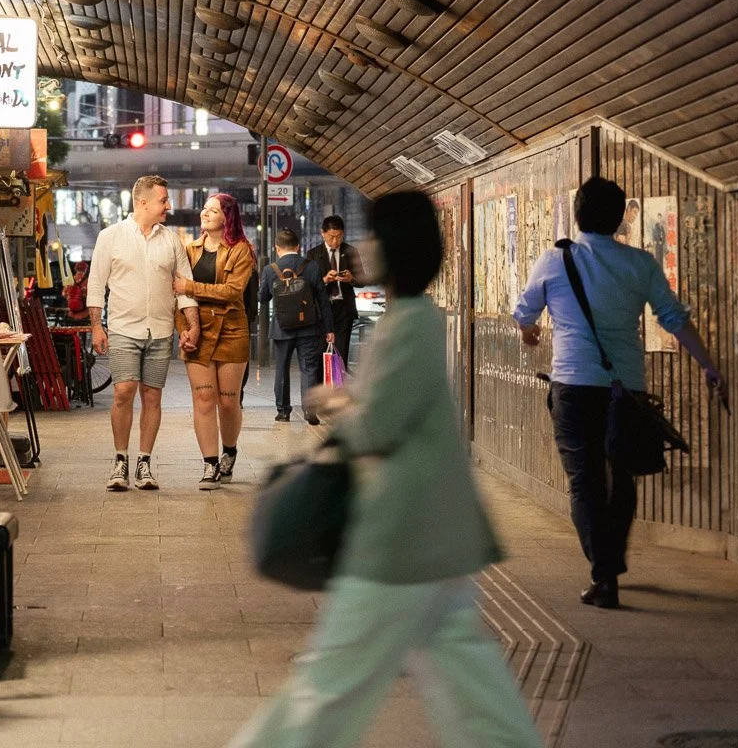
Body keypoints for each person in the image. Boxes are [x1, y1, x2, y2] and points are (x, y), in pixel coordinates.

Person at [231, 192, 541, 748]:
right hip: (439, 542)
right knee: (475, 688)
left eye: (372, 236)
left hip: (399, 538)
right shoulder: (418, 319)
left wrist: (333, 400)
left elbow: (377, 428)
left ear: (393, 246)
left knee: (329, 684)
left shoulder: (408, 325)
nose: (362, 248)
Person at [512, 177, 727, 609]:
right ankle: (610, 564)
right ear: (618, 218)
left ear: (577, 215)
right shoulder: (640, 264)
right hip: (625, 388)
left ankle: (604, 571)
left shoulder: (555, 260)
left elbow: (525, 313)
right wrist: (708, 364)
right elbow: (674, 318)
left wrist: (530, 333)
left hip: (573, 386)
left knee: (585, 481)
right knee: (622, 476)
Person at [87, 175, 199, 491]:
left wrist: (193, 324)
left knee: (152, 396)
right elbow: (96, 283)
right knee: (124, 391)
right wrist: (97, 326)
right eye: (164, 200)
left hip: (161, 330)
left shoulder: (172, 241)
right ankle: (120, 460)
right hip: (123, 328)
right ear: (143, 202)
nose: (168, 206)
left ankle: (144, 463)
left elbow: (185, 288)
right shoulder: (110, 237)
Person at [173, 193, 255, 489]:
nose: (205, 214)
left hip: (232, 331)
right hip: (199, 332)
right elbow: (180, 295)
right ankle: (210, 464)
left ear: (227, 217)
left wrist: (191, 286)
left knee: (228, 402)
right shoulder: (189, 249)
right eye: (204, 209)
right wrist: (183, 328)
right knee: (204, 399)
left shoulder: (241, 250)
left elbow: (232, 291)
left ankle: (229, 451)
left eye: (213, 210)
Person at [258, 227, 333, 424]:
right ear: (298, 247)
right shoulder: (312, 266)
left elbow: (262, 298)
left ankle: (283, 411)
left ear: (277, 248)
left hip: (282, 328)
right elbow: (323, 300)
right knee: (309, 368)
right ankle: (310, 411)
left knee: (281, 368)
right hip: (309, 327)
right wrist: (329, 329)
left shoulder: (270, 269)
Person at [305, 215, 361, 370]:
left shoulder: (351, 251)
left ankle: (338, 388)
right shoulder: (313, 254)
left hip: (343, 309)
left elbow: (362, 280)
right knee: (321, 354)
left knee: (340, 354)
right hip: (322, 311)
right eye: (331, 237)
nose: (335, 241)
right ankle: (322, 388)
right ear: (322, 233)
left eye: (339, 237)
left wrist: (351, 279)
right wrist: (324, 280)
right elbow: (307, 286)